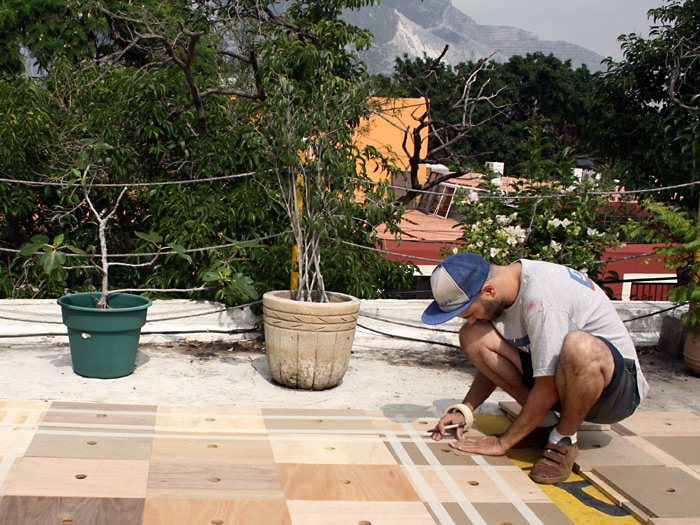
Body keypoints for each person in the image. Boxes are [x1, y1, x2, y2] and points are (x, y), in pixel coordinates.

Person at [421, 253, 649, 484]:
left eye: (470, 312)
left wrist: (504, 443)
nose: (470, 319)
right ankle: (543, 425)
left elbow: (547, 385)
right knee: (473, 335)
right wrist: (465, 409)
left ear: (489, 291)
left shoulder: (542, 296)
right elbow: (499, 365)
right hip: (564, 381)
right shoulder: (507, 289)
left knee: (579, 347)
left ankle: (563, 440)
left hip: (615, 393)